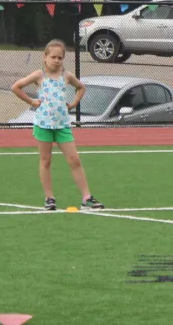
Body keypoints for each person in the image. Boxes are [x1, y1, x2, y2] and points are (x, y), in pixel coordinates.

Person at [11, 40, 105, 211]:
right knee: (46, 161)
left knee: (74, 160)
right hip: (43, 125)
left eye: (60, 58)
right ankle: (49, 198)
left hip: (62, 125)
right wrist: (32, 101)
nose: (56, 60)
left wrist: (74, 103)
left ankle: (86, 198)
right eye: (53, 57)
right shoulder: (39, 75)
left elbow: (81, 88)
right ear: (45, 57)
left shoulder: (66, 76)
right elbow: (16, 87)